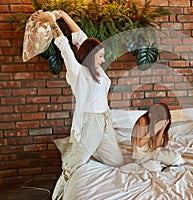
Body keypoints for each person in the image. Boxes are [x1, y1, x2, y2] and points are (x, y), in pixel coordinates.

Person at [33, 10, 124, 199]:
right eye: (100, 56)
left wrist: (64, 15)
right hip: (90, 123)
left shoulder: (98, 70)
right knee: (76, 162)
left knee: (117, 161)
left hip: (104, 119)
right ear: (91, 56)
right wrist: (52, 22)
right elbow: (64, 46)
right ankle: (60, 189)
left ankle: (92, 148)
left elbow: (80, 36)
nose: (104, 59)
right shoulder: (78, 73)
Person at [131, 103, 184, 169]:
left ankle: (157, 163)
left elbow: (156, 146)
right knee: (155, 167)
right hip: (141, 156)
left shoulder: (159, 123)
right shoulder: (142, 120)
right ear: (150, 116)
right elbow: (139, 144)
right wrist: (155, 129)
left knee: (177, 158)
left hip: (153, 153)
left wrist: (162, 128)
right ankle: (155, 164)